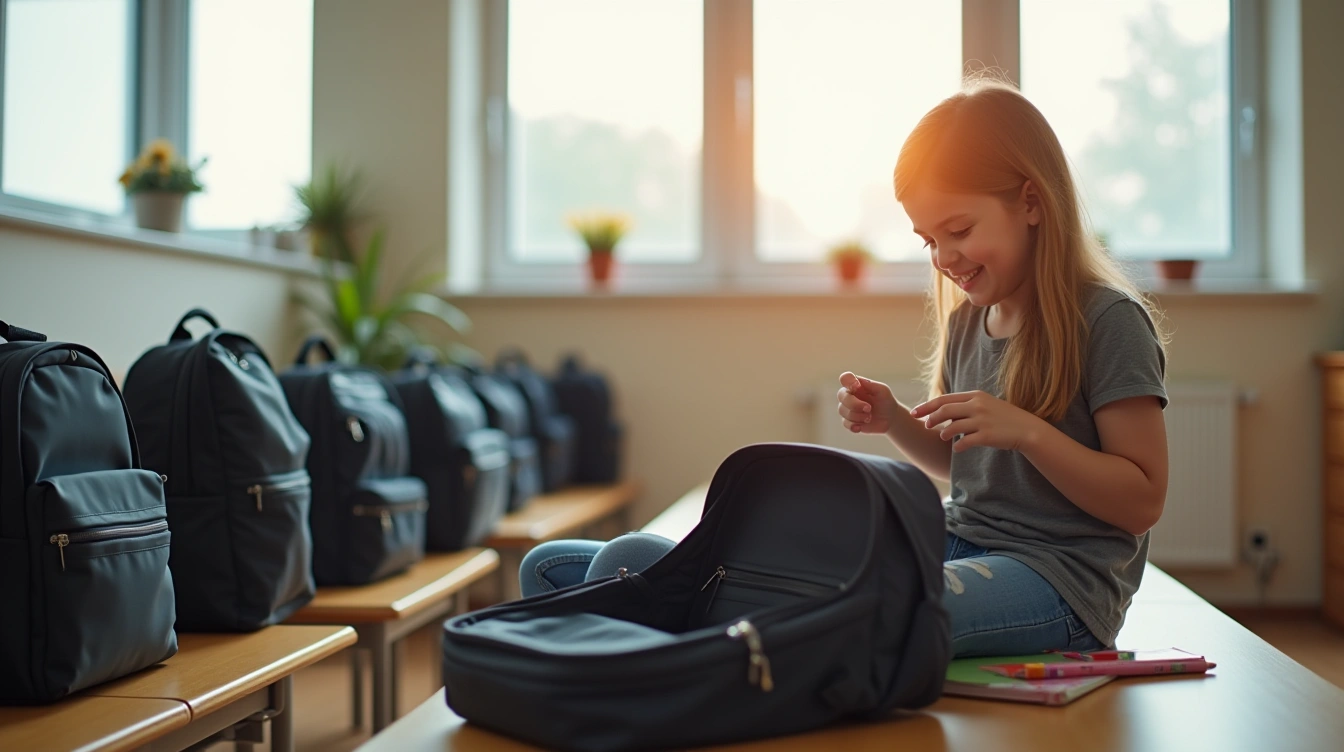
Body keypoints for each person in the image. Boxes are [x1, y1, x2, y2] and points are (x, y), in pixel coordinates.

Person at [518, 77, 1169, 657]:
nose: (944, 256)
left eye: (960, 229)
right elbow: (960, 465)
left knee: (860, 601)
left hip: (1059, 582)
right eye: (928, 240)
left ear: (1031, 201)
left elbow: (1141, 500)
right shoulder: (972, 319)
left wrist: (1029, 431)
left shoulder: (1108, 321)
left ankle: (667, 605)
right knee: (551, 567)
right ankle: (678, 599)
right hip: (954, 538)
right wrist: (895, 420)